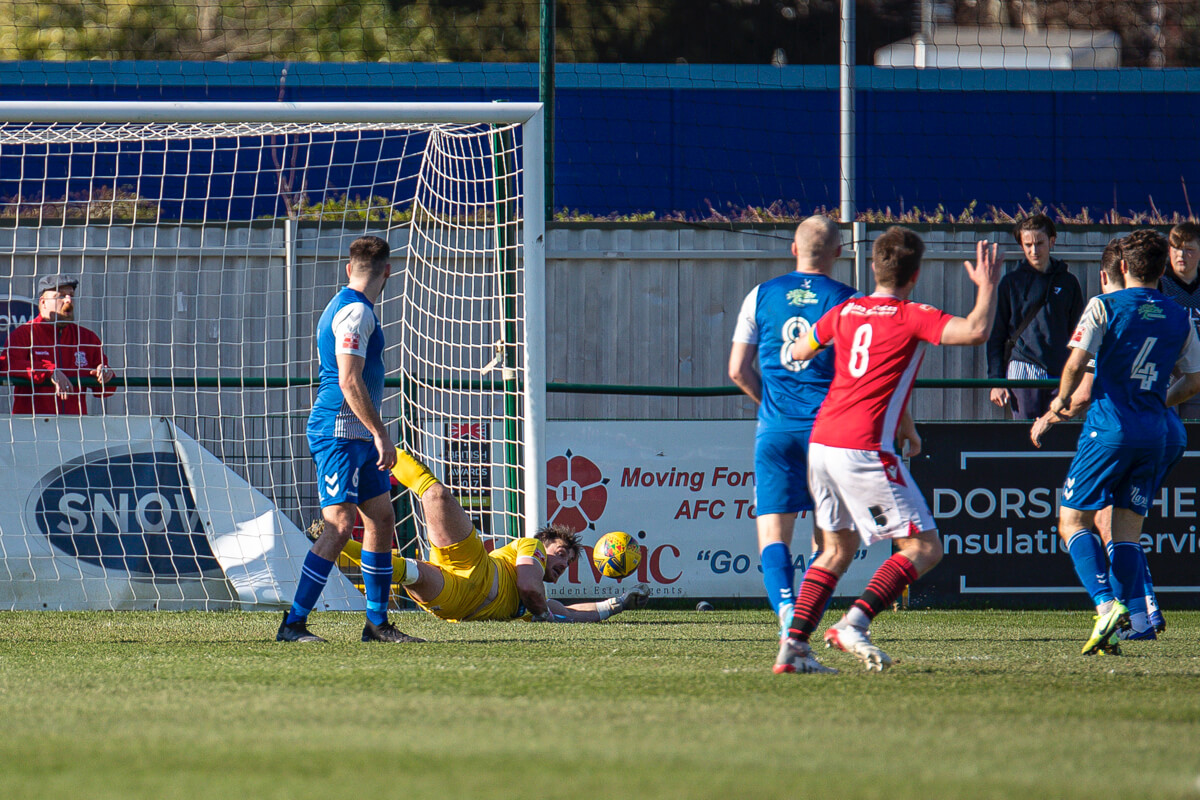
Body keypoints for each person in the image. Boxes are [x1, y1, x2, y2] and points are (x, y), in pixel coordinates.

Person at [775, 226, 1003, 674]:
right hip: (862, 447)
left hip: (822, 442)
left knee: (836, 550)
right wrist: (988, 287)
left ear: (876, 266)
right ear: (915, 274)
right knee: (924, 547)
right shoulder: (912, 314)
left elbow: (799, 350)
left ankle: (793, 647)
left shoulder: (844, 311)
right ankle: (853, 624)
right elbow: (976, 331)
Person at [1029, 229, 1200, 655]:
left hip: (1108, 430)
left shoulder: (1104, 305)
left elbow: (1075, 363)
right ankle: (1130, 623)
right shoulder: (1179, 315)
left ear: (1122, 267)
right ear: (1163, 270)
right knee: (1126, 534)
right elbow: (1195, 380)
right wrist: (1161, 397)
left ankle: (1106, 605)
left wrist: (1061, 402)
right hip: (1155, 434)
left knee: (1071, 521)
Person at [276, 235, 424, 644]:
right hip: (339, 433)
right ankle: (293, 624)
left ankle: (377, 624)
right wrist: (381, 433)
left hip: (356, 434)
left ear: (349, 267)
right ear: (389, 271)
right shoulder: (356, 312)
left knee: (381, 519)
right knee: (339, 526)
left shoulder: (347, 305)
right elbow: (347, 378)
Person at [727, 216, 858, 638]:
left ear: (793, 249)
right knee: (830, 543)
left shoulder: (761, 295)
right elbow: (862, 376)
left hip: (776, 431)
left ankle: (787, 616)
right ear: (839, 252)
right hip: (829, 434)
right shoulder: (848, 301)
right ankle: (805, 625)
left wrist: (774, 408)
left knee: (773, 536)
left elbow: (737, 370)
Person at [385, 448, 649, 622]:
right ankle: (378, 443)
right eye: (560, 554)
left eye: (567, 563)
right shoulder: (530, 551)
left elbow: (570, 613)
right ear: (542, 547)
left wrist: (619, 603)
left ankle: (340, 547)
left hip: (457, 600)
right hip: (471, 564)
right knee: (436, 495)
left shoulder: (538, 602)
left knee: (404, 571)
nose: (562, 565)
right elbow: (527, 586)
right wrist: (544, 615)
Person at [987, 214, 1084, 419]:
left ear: (1052, 241)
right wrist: (996, 381)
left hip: (1061, 371)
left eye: (1039, 243)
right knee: (1025, 439)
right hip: (1023, 368)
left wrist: (1079, 377)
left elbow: (1079, 334)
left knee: (1059, 438)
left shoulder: (1069, 282)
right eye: (1028, 244)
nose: (1033, 250)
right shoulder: (1010, 283)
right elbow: (997, 334)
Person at [4, 274, 116, 414]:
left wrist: (105, 374)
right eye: (61, 296)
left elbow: (105, 391)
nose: (68, 300)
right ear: (43, 302)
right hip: (32, 427)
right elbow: (6, 365)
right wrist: (49, 371)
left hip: (75, 428)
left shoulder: (87, 338)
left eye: (71, 295)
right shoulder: (25, 334)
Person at [1159, 221, 1200, 419]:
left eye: (1189, 250)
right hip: (1166, 373)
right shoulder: (1158, 284)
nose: (1181, 256)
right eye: (1175, 249)